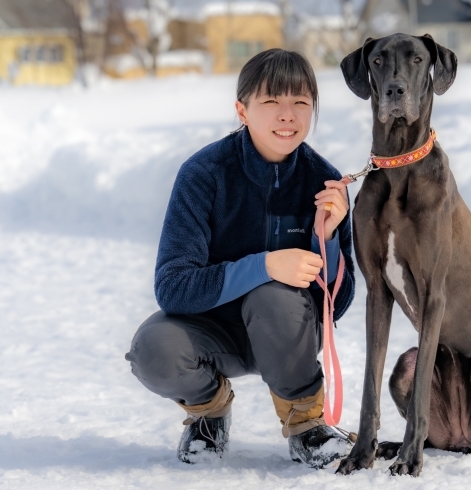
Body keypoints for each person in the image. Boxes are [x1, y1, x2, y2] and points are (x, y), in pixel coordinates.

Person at [125, 49, 355, 469]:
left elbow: (335, 305)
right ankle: (209, 412)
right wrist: (263, 265)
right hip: (210, 332)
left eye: (301, 102)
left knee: (273, 297)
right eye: (271, 102)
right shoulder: (204, 174)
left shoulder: (324, 181)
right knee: (153, 349)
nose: (288, 115)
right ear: (242, 110)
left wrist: (329, 237)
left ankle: (307, 425)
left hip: (286, 332)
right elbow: (172, 287)